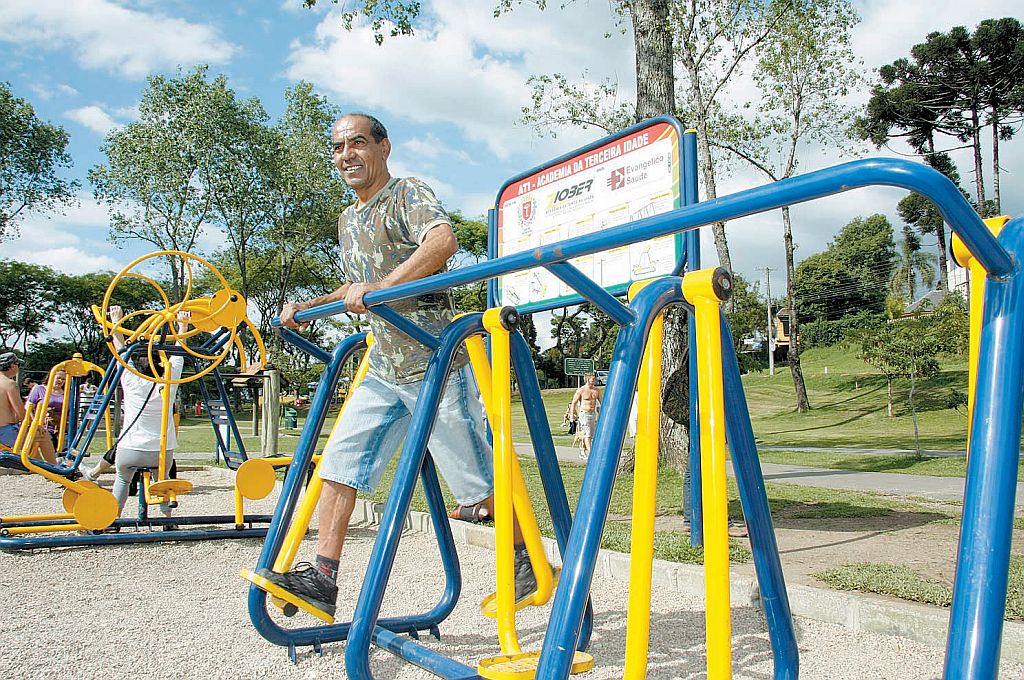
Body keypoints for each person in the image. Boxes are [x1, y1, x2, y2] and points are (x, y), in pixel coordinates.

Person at [266, 112, 536, 620]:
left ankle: (528, 559)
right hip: (383, 365)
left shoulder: (406, 192)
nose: (347, 154)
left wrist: (381, 290)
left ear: (383, 147)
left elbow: (442, 243)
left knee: (476, 478)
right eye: (338, 147)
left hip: (434, 359)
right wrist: (308, 306)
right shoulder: (347, 221)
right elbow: (358, 290)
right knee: (339, 465)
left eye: (358, 143)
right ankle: (323, 578)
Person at [87, 306, 186, 530]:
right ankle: (168, 521)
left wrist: (116, 322)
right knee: (163, 481)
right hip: (159, 452)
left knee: (122, 480)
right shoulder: (167, 385)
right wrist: (182, 326)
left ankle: (113, 520)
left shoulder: (131, 382)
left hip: (129, 448)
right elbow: (179, 358)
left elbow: (121, 351)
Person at [0, 352, 57, 463]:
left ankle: (44, 468)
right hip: (6, 433)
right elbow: (21, 413)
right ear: (12, 365)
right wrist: (35, 425)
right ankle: (56, 467)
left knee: (33, 451)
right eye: (18, 365)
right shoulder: (9, 384)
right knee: (42, 434)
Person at [26, 368, 66, 450]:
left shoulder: (67, 393)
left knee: (66, 446)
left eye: (63, 379)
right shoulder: (40, 389)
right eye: (58, 378)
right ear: (51, 376)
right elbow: (28, 407)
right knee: (49, 445)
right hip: (44, 426)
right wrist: (35, 423)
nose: (60, 381)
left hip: (61, 426)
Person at [570, 372, 602, 460]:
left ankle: (583, 450)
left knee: (591, 435)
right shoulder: (581, 390)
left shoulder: (597, 390)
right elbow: (573, 403)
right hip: (584, 414)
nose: (594, 380)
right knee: (587, 434)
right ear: (588, 379)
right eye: (593, 379)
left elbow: (602, 403)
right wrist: (572, 417)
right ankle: (592, 455)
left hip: (593, 414)